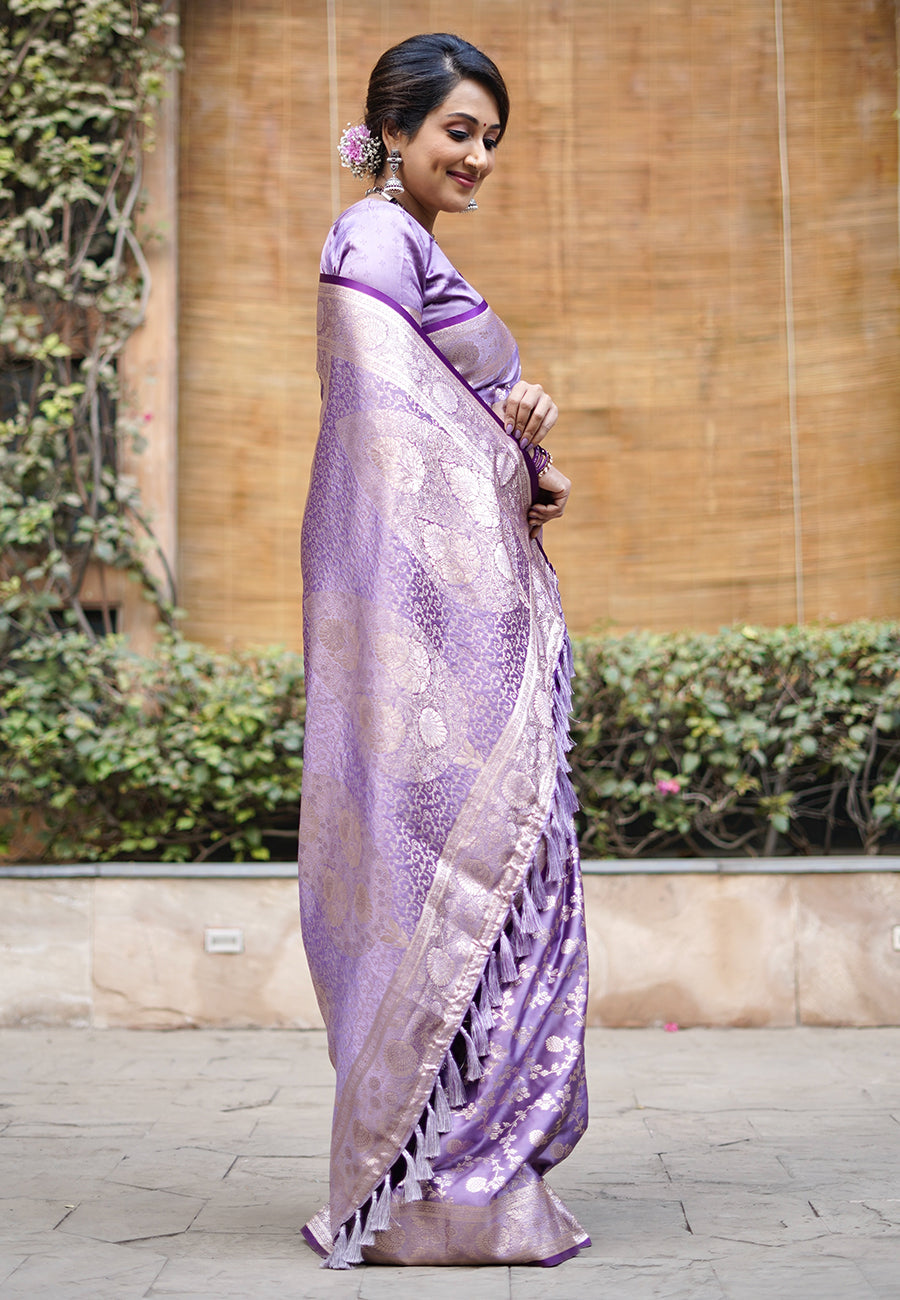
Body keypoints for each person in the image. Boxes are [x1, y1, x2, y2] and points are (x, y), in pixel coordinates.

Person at [298, 32, 590, 1269]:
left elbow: (462, 433)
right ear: (393, 130)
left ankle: (466, 1177)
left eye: (490, 139)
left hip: (474, 622)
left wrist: (525, 444)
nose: (476, 156)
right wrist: (504, 450)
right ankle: (430, 1189)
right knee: (448, 887)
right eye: (457, 131)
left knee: (501, 888)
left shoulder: (413, 245)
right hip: (440, 641)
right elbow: (389, 443)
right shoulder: (374, 240)